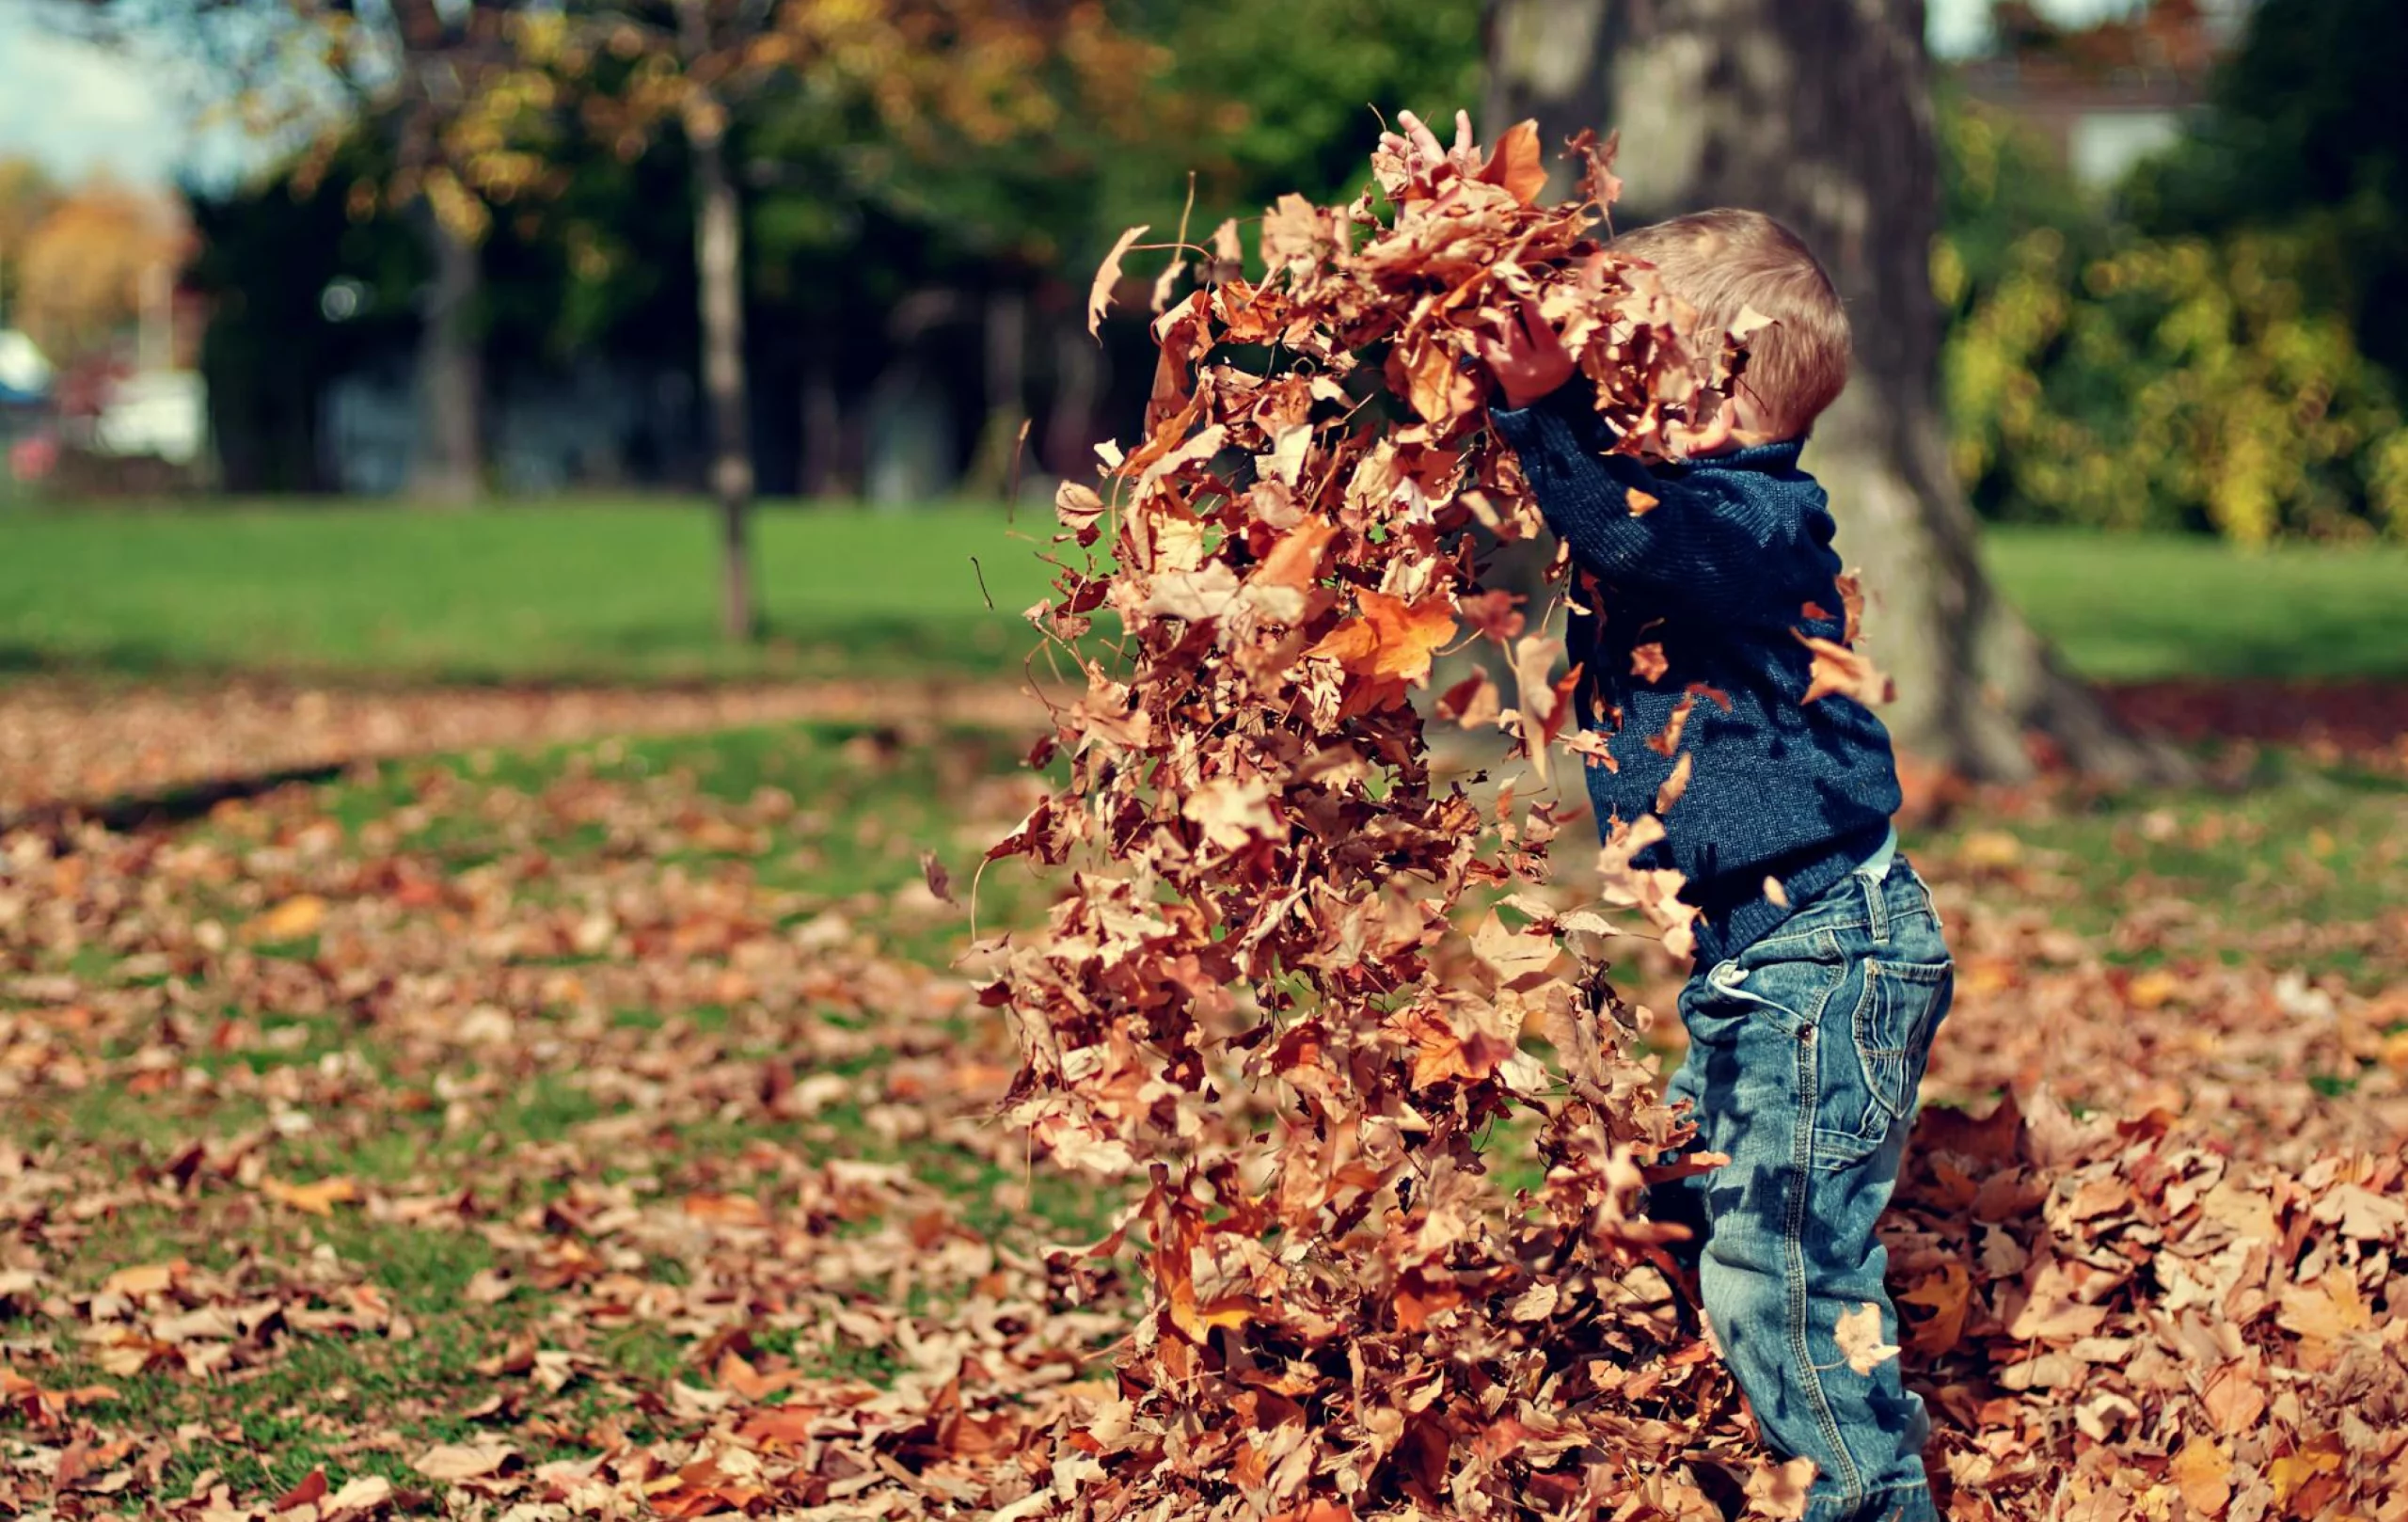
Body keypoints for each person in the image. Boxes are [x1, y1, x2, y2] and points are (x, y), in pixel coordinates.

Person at [1438, 129, 1957, 1522]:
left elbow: (1633, 534)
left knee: (1781, 1276)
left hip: (1825, 962)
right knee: (1678, 1196)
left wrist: (1548, 414)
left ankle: (1867, 1496)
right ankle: (1718, 1411)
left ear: (1716, 396)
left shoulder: (1754, 522)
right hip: (1765, 964)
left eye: (1630, 369)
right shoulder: (1693, 506)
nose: (1605, 394)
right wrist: (1506, 398)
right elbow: (1606, 517)